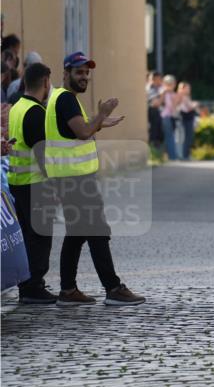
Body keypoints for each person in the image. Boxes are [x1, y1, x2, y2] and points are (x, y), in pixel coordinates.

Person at [44, 51, 145, 305]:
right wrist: (99, 116)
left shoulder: (61, 98)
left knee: (76, 233)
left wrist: (99, 122)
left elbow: (77, 130)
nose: (84, 77)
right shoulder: (66, 99)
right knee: (97, 231)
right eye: (79, 72)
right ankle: (113, 288)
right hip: (76, 181)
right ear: (65, 73)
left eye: (87, 72)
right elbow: (82, 132)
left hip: (68, 179)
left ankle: (68, 291)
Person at [7, 62, 57, 303]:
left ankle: (28, 285)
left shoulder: (17, 107)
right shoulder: (36, 113)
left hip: (17, 181)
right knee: (40, 237)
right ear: (46, 82)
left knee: (28, 236)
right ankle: (34, 286)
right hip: (35, 184)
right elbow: (43, 153)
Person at [159, 74, 181, 160]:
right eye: (169, 83)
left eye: (172, 83)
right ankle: (173, 156)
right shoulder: (163, 92)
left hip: (170, 117)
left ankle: (167, 156)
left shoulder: (172, 94)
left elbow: (174, 106)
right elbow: (168, 106)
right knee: (170, 137)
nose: (172, 85)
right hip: (165, 116)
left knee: (169, 137)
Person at [177, 81, 199, 160]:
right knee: (187, 137)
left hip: (188, 117)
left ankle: (186, 154)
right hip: (186, 118)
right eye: (187, 88)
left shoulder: (186, 96)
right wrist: (195, 105)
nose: (189, 90)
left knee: (188, 137)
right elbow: (189, 107)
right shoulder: (182, 96)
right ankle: (185, 155)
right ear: (182, 88)